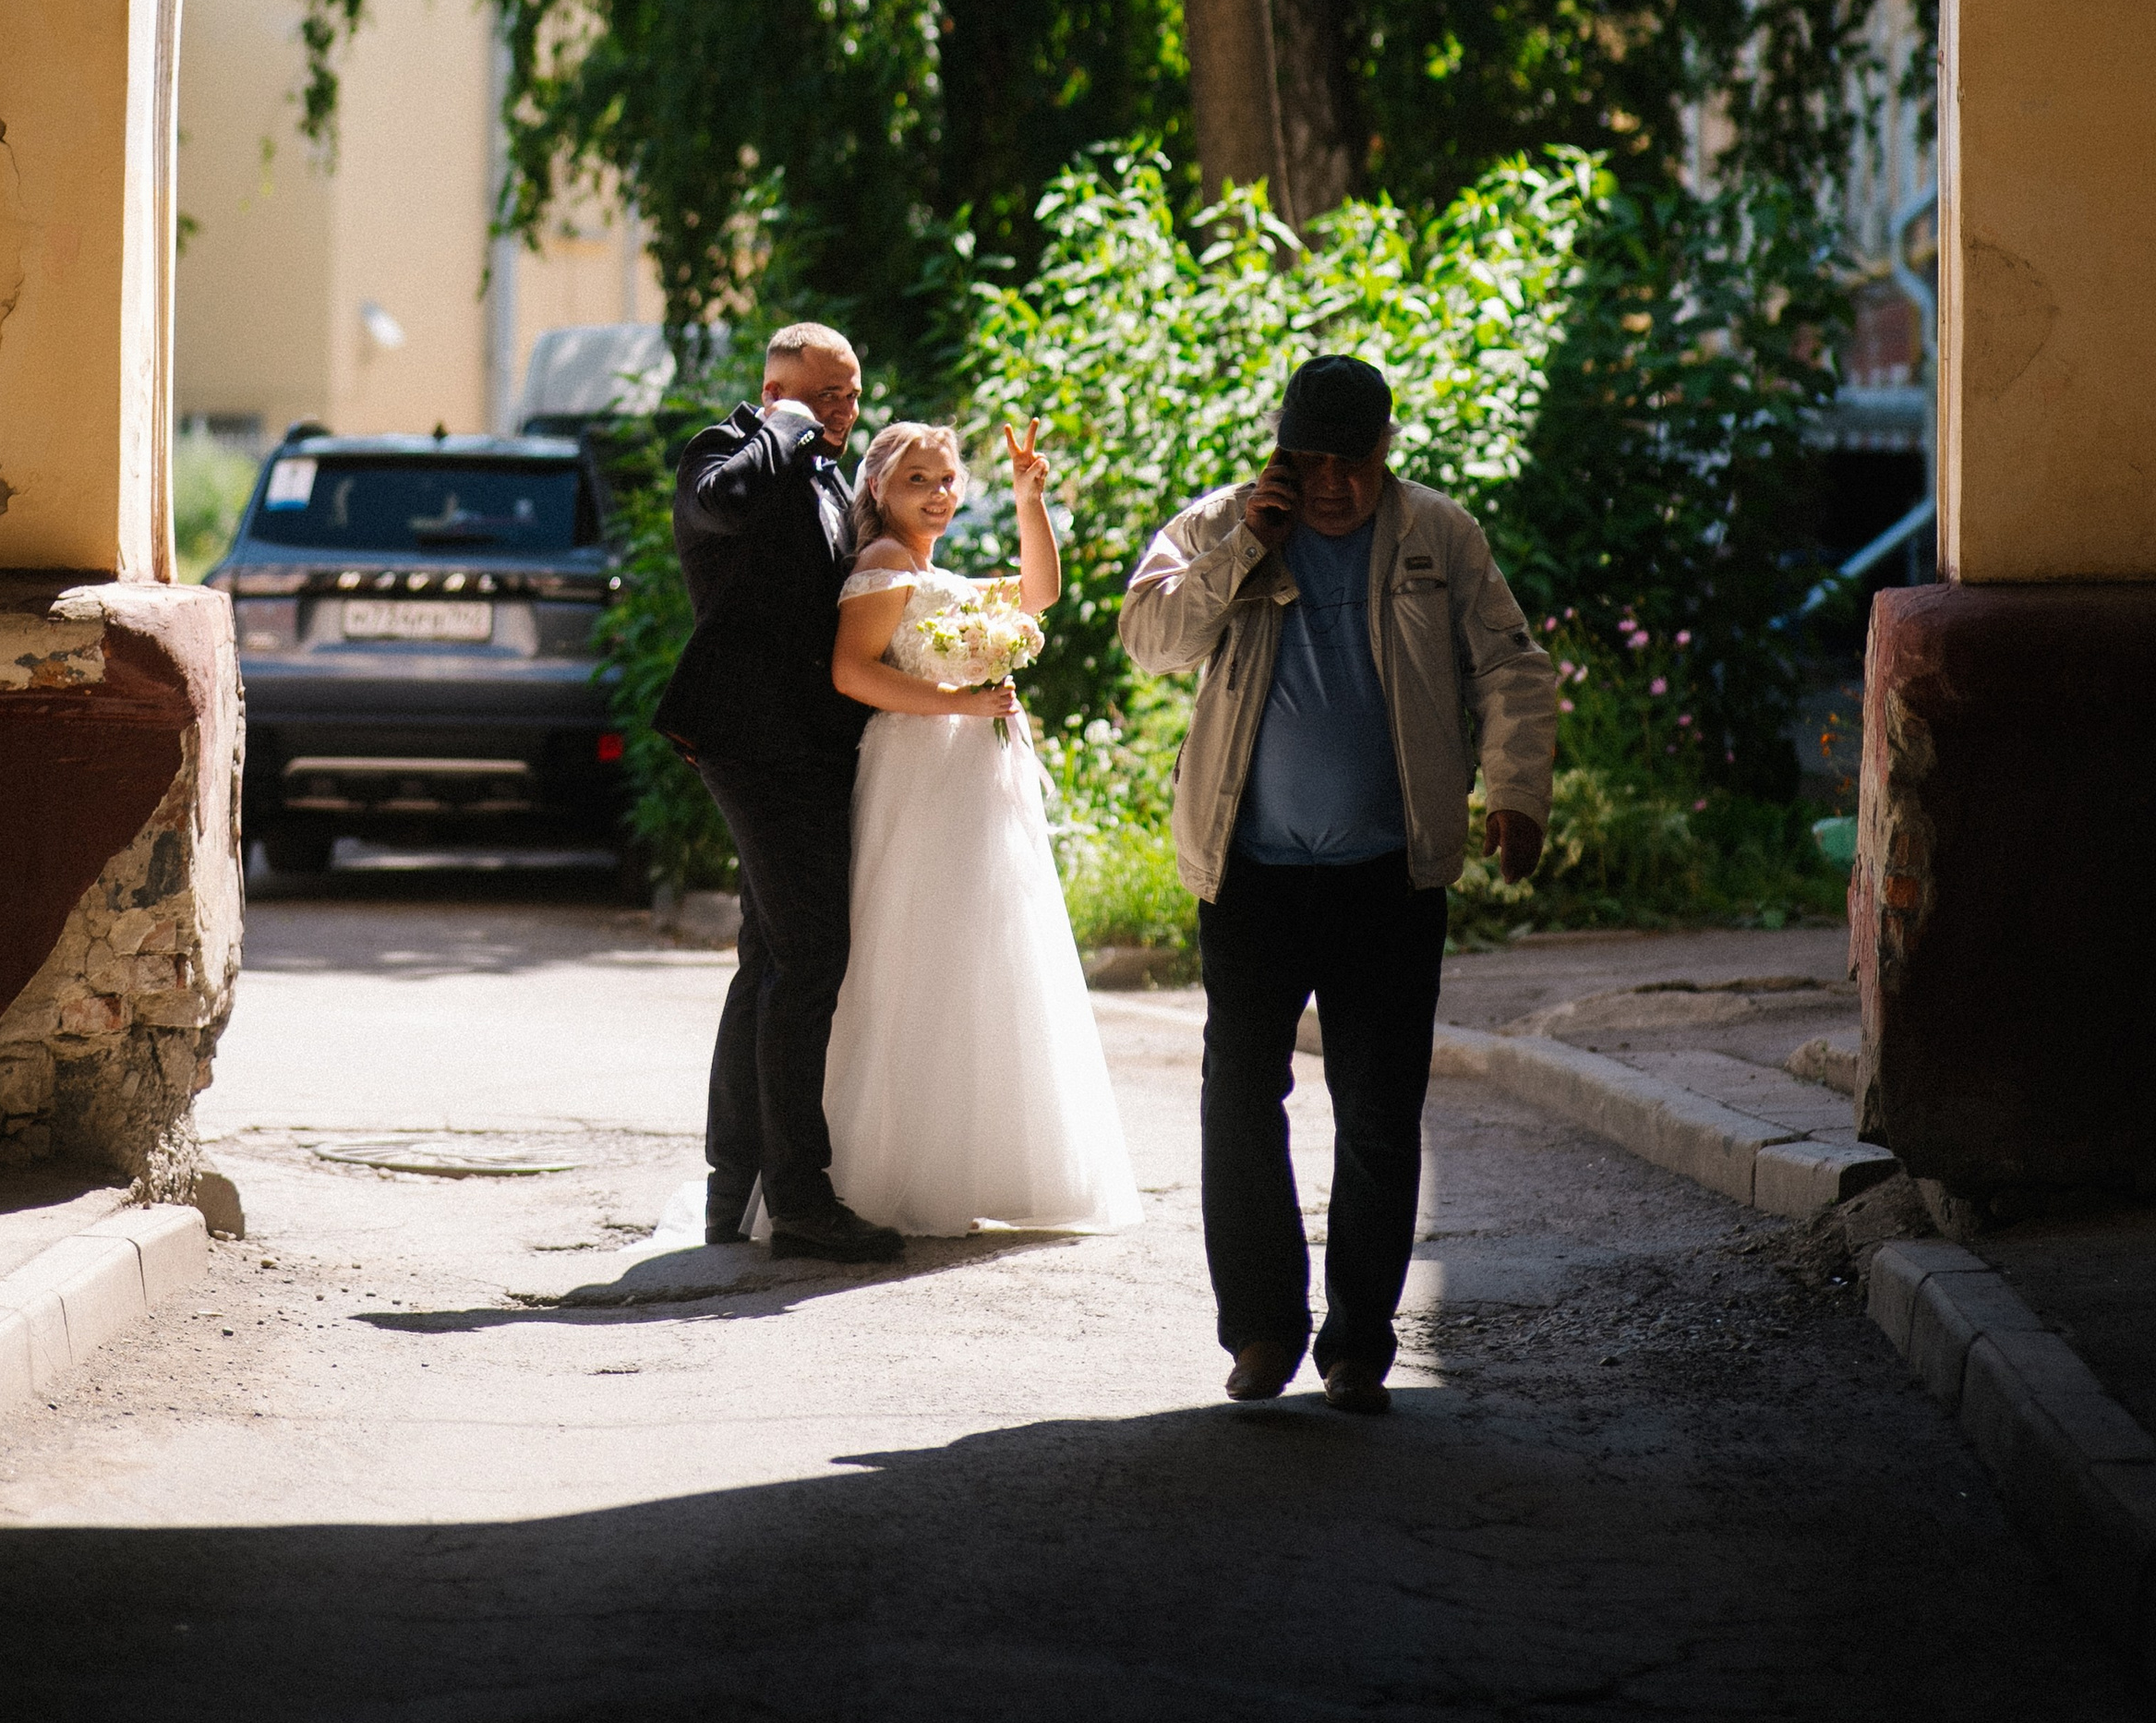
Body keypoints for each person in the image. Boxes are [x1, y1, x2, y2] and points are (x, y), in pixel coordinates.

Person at [1120, 353, 1557, 1413]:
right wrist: (1242, 547)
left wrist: (1516, 789)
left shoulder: (1435, 534)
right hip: (1251, 873)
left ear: (1384, 451)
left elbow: (1510, 664)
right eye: (1308, 462)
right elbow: (1150, 643)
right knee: (1239, 1100)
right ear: (1282, 453)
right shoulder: (1221, 522)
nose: (1329, 485)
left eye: (1349, 464)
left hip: (1387, 875)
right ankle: (1264, 1330)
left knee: (1377, 1110)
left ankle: (1359, 1340)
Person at [822, 419, 1140, 1237]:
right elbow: (853, 672)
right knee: (918, 945)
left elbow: (1039, 594)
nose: (938, 494)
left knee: (981, 949)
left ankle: (978, 1157)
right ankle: (900, 1168)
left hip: (977, 775)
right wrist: (961, 704)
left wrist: (1032, 501)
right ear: (880, 490)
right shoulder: (884, 566)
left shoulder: (939, 573)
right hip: (921, 770)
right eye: (918, 480)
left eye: (949, 479)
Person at [654, 319, 902, 1262]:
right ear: (778, 390)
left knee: (767, 958)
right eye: (824, 394)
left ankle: (739, 1186)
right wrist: (787, 424)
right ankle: (798, 1195)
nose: (843, 411)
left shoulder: (827, 477)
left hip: (810, 742)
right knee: (809, 954)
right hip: (750, 741)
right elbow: (726, 507)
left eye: (850, 393)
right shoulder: (731, 450)